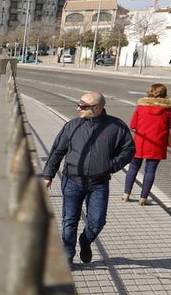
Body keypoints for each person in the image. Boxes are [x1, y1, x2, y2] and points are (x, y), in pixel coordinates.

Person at [41, 92, 135, 266]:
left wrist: (110, 165)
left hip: (99, 183)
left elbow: (128, 150)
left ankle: (85, 241)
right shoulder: (72, 126)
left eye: (83, 106)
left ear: (97, 108)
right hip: (72, 181)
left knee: (98, 220)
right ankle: (68, 256)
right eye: (79, 105)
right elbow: (57, 152)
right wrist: (48, 175)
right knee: (69, 220)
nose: (78, 109)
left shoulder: (116, 126)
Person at [124, 83, 171, 206]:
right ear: (164, 94)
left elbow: (133, 125)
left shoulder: (141, 106)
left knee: (133, 167)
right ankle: (143, 198)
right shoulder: (169, 109)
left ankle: (126, 194)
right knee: (150, 170)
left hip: (140, 142)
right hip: (157, 143)